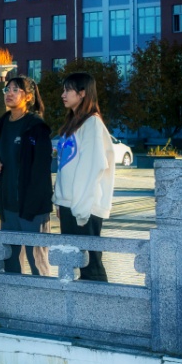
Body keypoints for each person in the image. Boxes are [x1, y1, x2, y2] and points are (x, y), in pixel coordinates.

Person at [53, 72, 116, 282]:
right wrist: (61, 201)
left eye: (67, 90)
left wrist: (80, 209)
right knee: (74, 261)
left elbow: (92, 167)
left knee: (91, 267)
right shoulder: (74, 123)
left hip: (84, 207)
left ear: (82, 93)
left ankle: (100, 301)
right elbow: (65, 166)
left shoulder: (92, 124)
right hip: (70, 205)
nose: (63, 94)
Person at [0, 76, 53, 276]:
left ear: (28, 97)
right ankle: (14, 296)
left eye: (15, 90)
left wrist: (34, 204)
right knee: (11, 263)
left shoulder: (36, 127)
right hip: (8, 205)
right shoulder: (2, 123)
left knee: (37, 263)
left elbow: (42, 168)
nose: (9, 93)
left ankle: (43, 295)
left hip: (32, 207)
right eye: (7, 89)